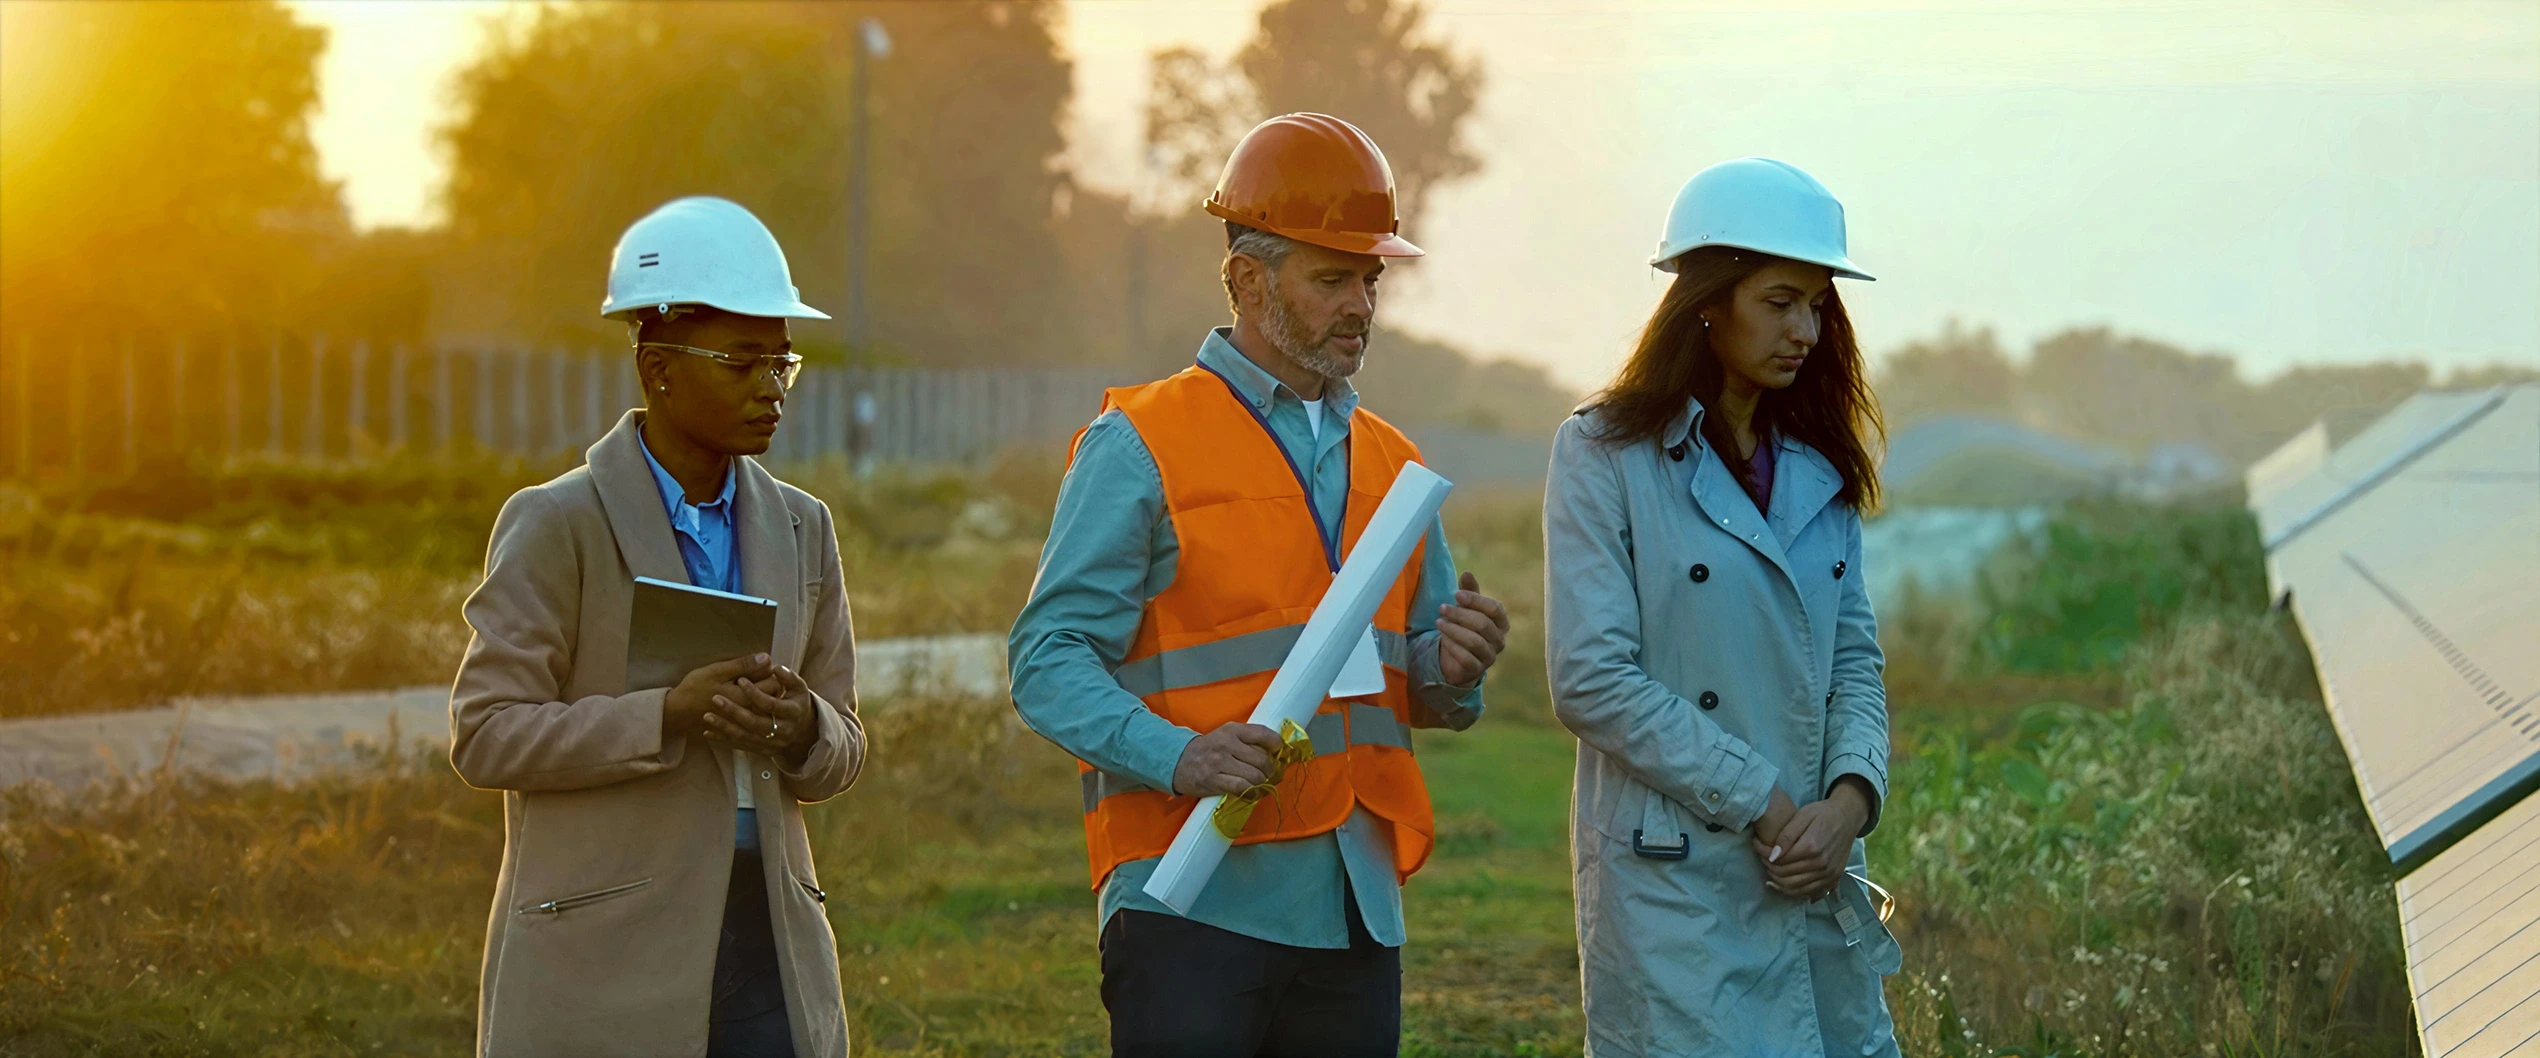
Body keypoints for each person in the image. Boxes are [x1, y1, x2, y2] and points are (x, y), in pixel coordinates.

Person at [1007, 113, 1512, 1058]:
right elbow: (1045, 659)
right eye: (1332, 279)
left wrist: (1456, 669)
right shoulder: (1141, 444)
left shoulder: (1393, 465)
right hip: (1192, 895)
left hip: (1355, 909)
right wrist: (1176, 754)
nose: (1361, 304)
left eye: (1371, 278)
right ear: (1247, 278)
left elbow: (1427, 693)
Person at [448, 196, 866, 1058]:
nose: (770, 388)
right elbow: (485, 737)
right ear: (660, 368)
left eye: (783, 364)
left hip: (768, 933)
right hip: (606, 942)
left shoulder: (803, 528)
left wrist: (803, 727)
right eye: (744, 362)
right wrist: (667, 714)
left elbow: (845, 746)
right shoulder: (555, 524)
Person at [1544, 158, 1902, 1056]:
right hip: (1680, 880)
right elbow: (1590, 679)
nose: (1807, 331)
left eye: (1818, 305)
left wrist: (1851, 803)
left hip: (1812, 868)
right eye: (1780, 302)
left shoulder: (1820, 466)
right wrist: (1765, 803)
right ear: (1709, 301)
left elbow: (1854, 659)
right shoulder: (1603, 456)